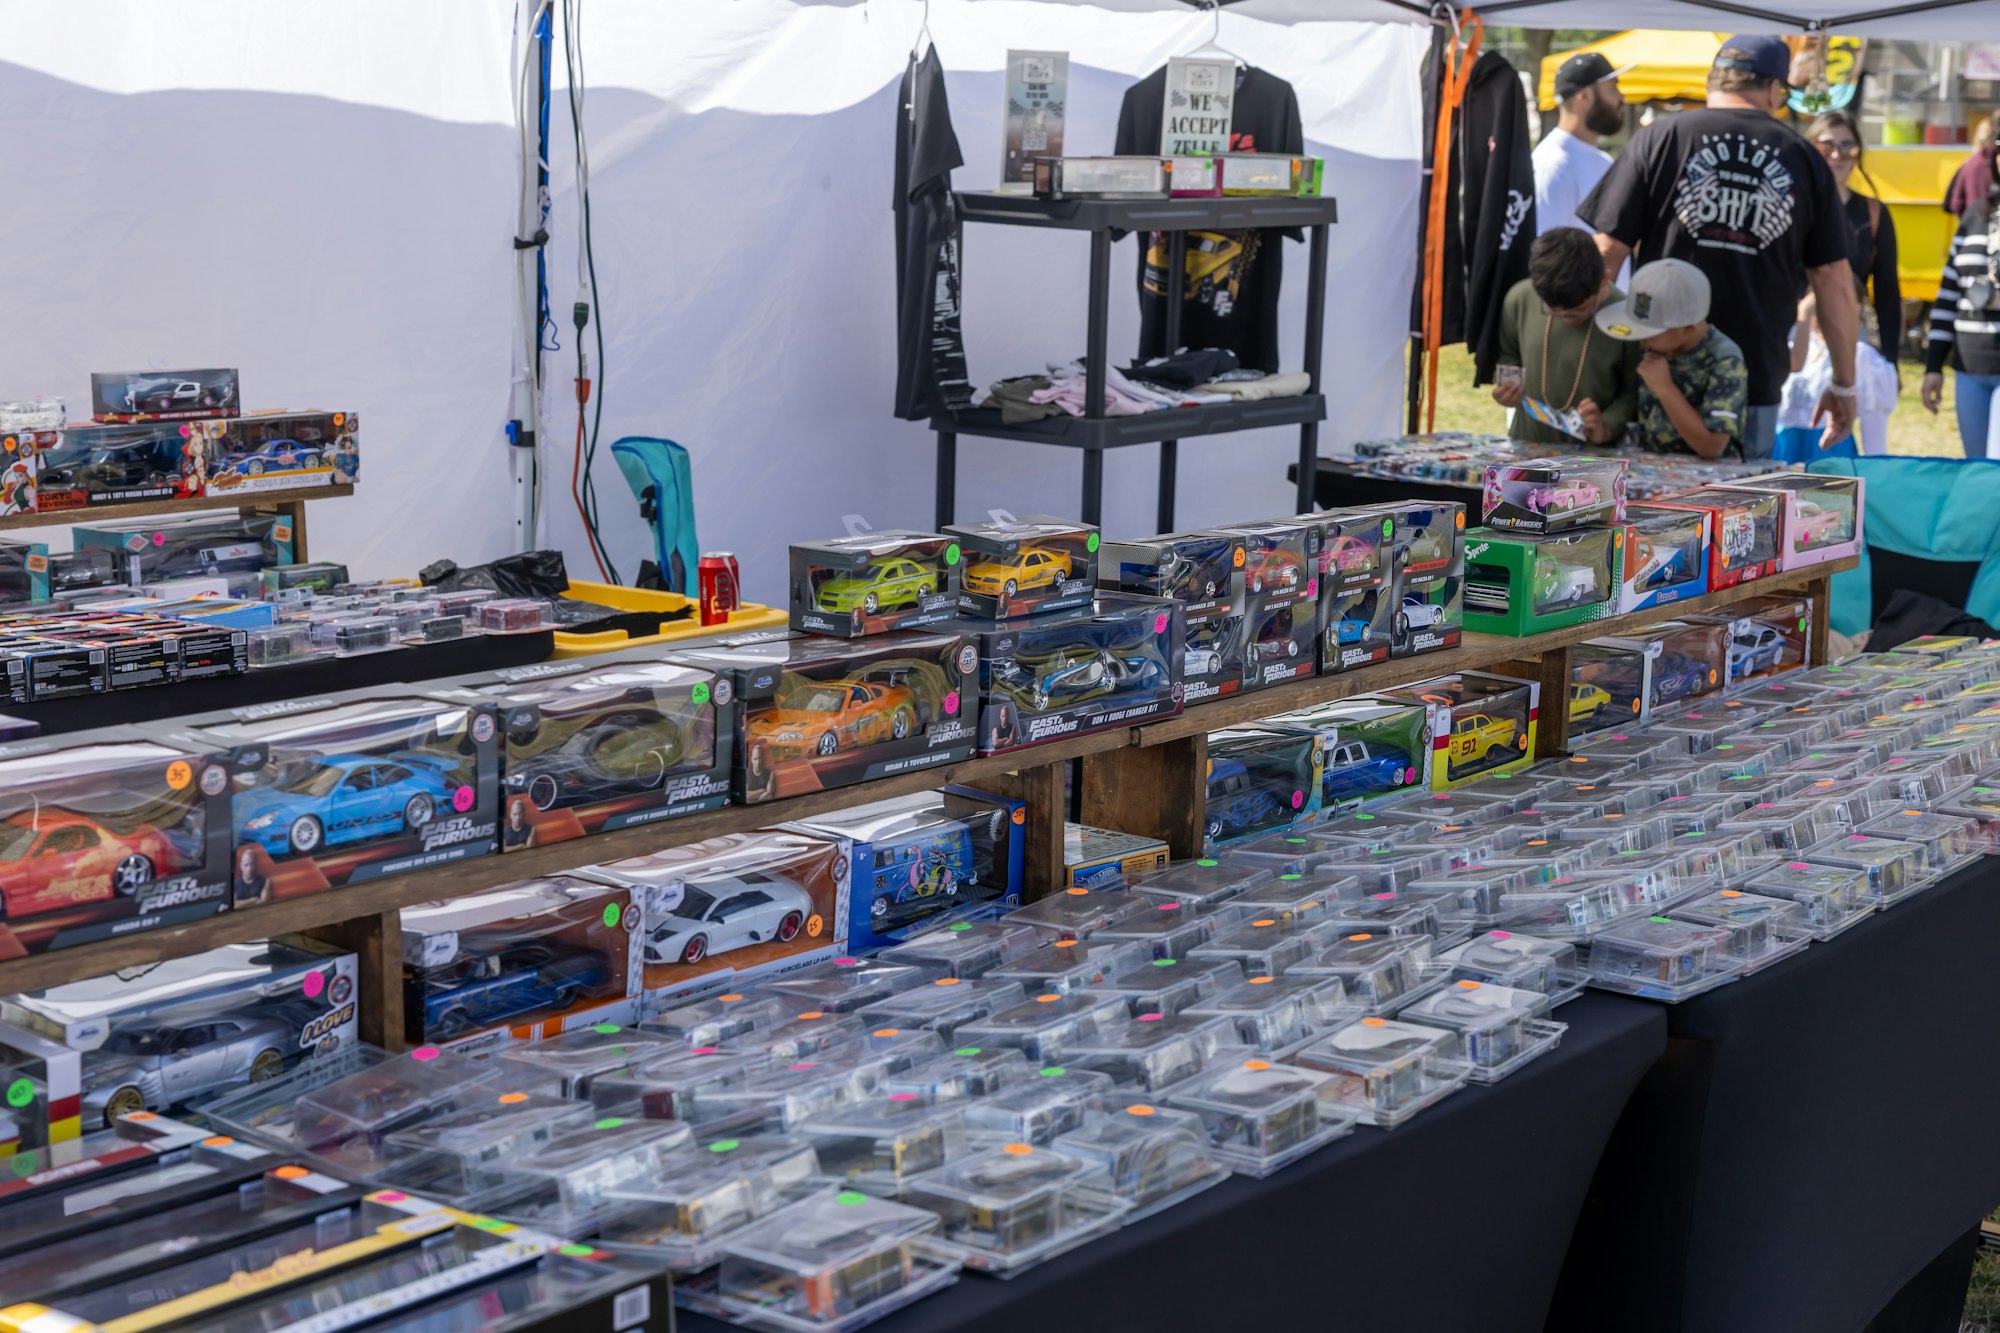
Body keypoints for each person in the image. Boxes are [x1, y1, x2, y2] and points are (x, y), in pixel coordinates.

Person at [1576, 34, 1859, 459]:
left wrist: (1587, 362)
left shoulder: (1659, 138)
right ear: (1773, 89)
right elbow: (1833, 280)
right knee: (1742, 501)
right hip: (1751, 378)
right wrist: (1844, 384)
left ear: (1712, 82)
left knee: (1649, 499)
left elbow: (1606, 255)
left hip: (1655, 364)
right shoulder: (1803, 158)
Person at [1492, 227, 1642, 445]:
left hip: (1595, 455)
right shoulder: (1520, 299)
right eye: (1553, 312)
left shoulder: (1626, 319)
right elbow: (1509, 355)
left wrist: (1607, 425)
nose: (1566, 320)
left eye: (1577, 312)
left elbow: (1633, 393)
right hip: (1527, 445)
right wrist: (1506, 389)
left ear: (1603, 279)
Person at [1597, 259, 1749, 460]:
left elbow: (1713, 447)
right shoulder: (1654, 347)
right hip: (1654, 469)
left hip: (1710, 475)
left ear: (1688, 328)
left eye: (1650, 333)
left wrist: (1665, 388)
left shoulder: (1724, 359)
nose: (1642, 340)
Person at [1806, 110, 1902, 369]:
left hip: (1849, 333)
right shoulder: (1795, 206)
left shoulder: (1873, 212)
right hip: (1798, 333)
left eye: (1848, 147)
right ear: (1810, 149)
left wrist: (1890, 362)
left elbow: (1887, 291)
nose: (1837, 155)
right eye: (1826, 146)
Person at [1921, 179, 2000, 457]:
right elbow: (1948, 295)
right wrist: (1933, 366)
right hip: (1969, 368)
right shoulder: (1975, 214)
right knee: (1977, 468)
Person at [1533, 53, 1629, 237]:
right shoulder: (1552, 167)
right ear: (1584, 96)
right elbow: (1544, 251)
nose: (1621, 97)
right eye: (1612, 87)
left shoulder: (1603, 160)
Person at [1946, 116, 1997, 217]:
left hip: (1973, 222)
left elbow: (1955, 204)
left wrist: (1968, 219)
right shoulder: (1996, 163)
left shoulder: (1968, 164)